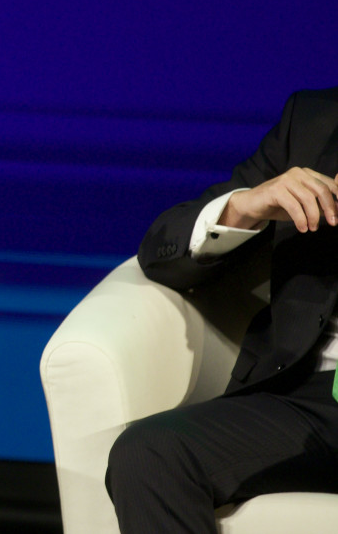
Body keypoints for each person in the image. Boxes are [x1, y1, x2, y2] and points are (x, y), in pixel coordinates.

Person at [106, 87, 338, 532]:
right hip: (309, 398)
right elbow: (160, 251)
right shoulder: (314, 119)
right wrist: (244, 207)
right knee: (150, 454)